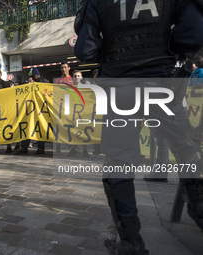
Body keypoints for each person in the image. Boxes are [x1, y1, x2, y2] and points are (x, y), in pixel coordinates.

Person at [75, 1, 203, 254]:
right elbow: (192, 35)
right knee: (187, 150)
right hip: (163, 83)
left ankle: (131, 242)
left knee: (118, 164)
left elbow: (86, 51)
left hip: (120, 86)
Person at [15, 67, 48, 155]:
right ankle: (24, 148)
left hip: (41, 111)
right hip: (30, 110)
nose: (35, 77)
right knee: (27, 128)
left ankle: (41, 149)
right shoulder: (29, 84)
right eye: (33, 76)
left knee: (41, 128)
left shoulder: (45, 82)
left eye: (35, 76)